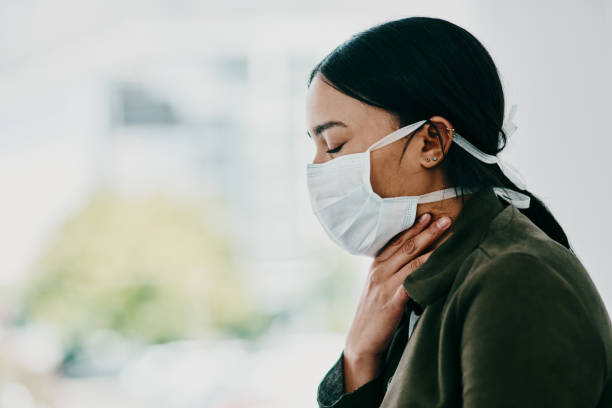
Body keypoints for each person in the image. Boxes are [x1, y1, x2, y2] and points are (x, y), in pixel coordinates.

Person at [304, 16, 612, 407]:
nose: (318, 168)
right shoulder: (428, 285)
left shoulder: (513, 278)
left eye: (333, 144)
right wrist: (360, 357)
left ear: (431, 141)